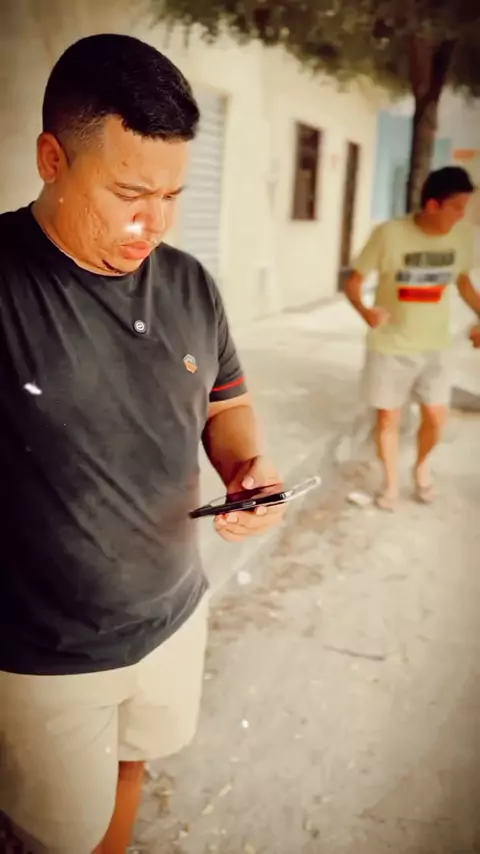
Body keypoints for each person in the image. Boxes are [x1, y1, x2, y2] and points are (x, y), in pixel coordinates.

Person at [0, 34, 284, 854]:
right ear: (53, 158)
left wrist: (248, 467)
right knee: (54, 833)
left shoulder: (190, 282)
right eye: (129, 192)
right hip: (44, 655)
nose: (151, 222)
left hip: (173, 615)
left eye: (172, 195)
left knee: (134, 766)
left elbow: (227, 404)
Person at [345, 166, 480, 510]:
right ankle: (390, 484)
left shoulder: (462, 237)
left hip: (435, 346)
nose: (462, 215)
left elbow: (463, 282)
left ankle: (421, 467)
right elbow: (354, 281)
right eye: (457, 207)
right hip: (390, 346)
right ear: (433, 205)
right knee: (388, 419)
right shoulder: (389, 234)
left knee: (436, 417)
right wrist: (365, 311)